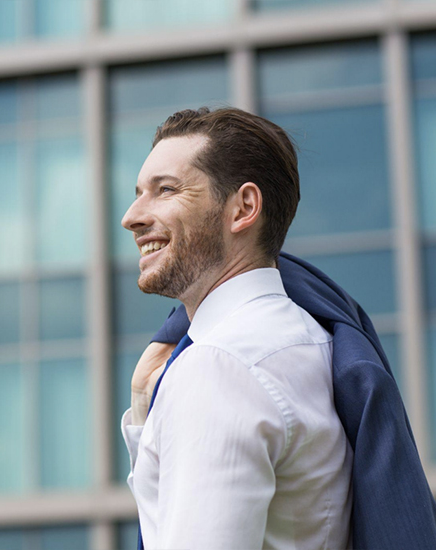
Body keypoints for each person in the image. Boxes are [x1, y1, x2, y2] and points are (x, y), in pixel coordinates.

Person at [120, 107, 353, 549]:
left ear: (243, 208)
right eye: (137, 194)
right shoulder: (310, 335)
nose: (131, 216)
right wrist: (145, 410)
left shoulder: (219, 366)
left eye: (164, 190)